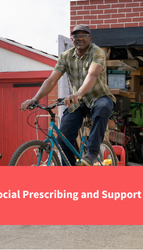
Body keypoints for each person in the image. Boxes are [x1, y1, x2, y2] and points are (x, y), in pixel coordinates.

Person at [21, 24, 116, 166]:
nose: (80, 38)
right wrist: (35, 98)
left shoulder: (96, 52)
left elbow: (93, 74)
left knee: (102, 107)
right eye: (76, 36)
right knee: (62, 138)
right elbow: (52, 80)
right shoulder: (66, 56)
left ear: (90, 38)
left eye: (83, 35)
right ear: (72, 39)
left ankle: (92, 153)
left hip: (99, 97)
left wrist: (78, 93)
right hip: (78, 102)